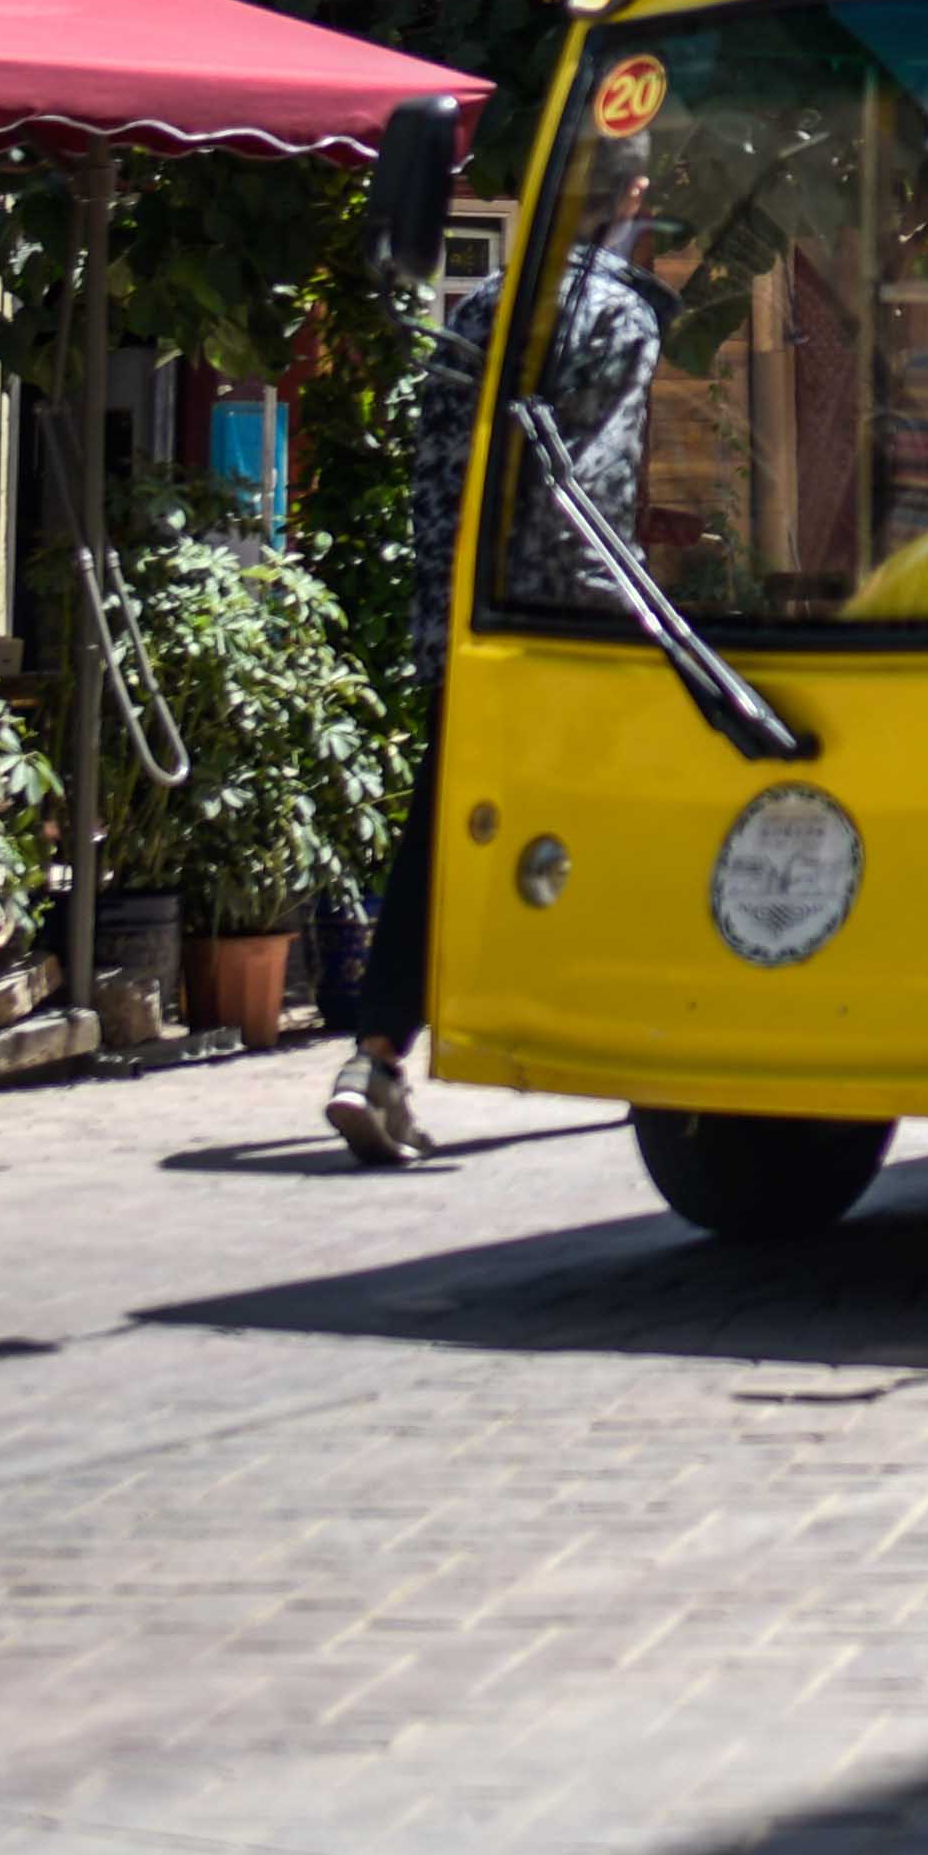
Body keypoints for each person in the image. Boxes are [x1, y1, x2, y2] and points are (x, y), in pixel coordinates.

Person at [325, 198, 672, 1170]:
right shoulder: (619, 318)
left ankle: (376, 1059)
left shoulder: (482, 303)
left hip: (462, 615)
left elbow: (438, 478)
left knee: (442, 831)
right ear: (631, 212)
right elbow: (589, 495)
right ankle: (654, 1047)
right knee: (650, 823)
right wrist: (633, 628)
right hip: (567, 629)